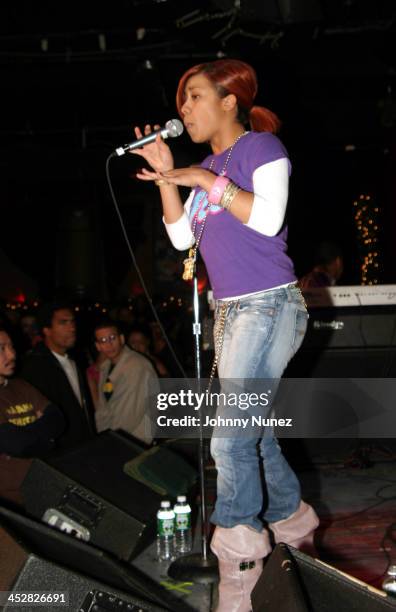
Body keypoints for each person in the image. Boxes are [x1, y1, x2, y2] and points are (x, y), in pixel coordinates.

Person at [132, 58, 319, 612]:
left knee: (229, 438)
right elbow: (180, 237)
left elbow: (266, 220)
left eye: (193, 97)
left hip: (269, 306)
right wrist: (169, 177)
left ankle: (239, 565)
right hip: (232, 313)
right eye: (181, 102)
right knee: (252, 435)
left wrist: (205, 180)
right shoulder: (209, 165)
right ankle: (294, 523)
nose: (183, 109)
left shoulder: (264, 150)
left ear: (229, 99)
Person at [0, 326, 64, 505]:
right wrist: (48, 439)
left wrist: (25, 434)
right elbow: (16, 444)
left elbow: (57, 419)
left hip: (45, 488)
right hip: (10, 503)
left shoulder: (20, 386)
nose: (12, 354)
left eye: (11, 347)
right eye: (1, 348)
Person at [21, 303, 94, 451]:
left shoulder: (74, 360)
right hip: (62, 452)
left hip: (84, 446)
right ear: (47, 330)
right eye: (63, 323)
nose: (72, 328)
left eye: (72, 322)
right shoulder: (35, 366)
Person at [94, 320, 157, 445]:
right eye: (103, 341)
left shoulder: (136, 365)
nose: (109, 344)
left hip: (135, 440)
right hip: (116, 438)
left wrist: (107, 441)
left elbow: (129, 414)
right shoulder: (106, 367)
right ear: (98, 346)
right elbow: (103, 408)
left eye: (112, 338)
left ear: (121, 339)